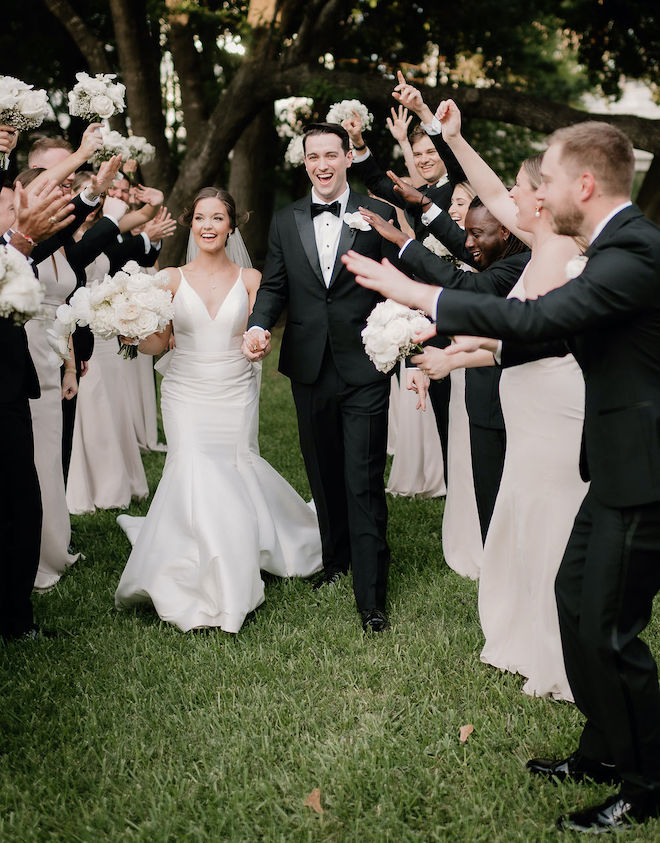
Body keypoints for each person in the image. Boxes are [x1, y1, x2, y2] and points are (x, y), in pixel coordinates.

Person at [342, 119, 660, 833]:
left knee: (610, 631)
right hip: (612, 467)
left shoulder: (633, 250)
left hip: (645, 477)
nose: (535, 194)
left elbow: (547, 317)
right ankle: (605, 749)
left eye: (545, 179)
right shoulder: (611, 245)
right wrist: (456, 344)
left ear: (584, 184)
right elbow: (549, 331)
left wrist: (421, 295)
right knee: (575, 601)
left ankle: (645, 783)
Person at [115, 188, 322, 633]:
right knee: (190, 463)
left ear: (232, 226)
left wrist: (258, 345)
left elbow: (257, 337)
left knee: (232, 465)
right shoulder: (168, 279)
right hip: (185, 388)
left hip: (233, 388)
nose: (208, 226)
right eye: (201, 218)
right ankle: (197, 565)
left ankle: (241, 552)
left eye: (218, 218)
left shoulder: (251, 280)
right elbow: (159, 343)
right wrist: (133, 332)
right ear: (192, 225)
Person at [242, 122, 398, 633]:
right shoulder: (287, 220)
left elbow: (401, 289)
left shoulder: (380, 215)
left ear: (349, 157)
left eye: (332, 154)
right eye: (314, 156)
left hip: (366, 363)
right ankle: (336, 561)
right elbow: (276, 284)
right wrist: (260, 323)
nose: (323, 164)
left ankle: (372, 596)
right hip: (309, 366)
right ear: (304, 161)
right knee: (323, 471)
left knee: (362, 475)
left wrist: (411, 356)